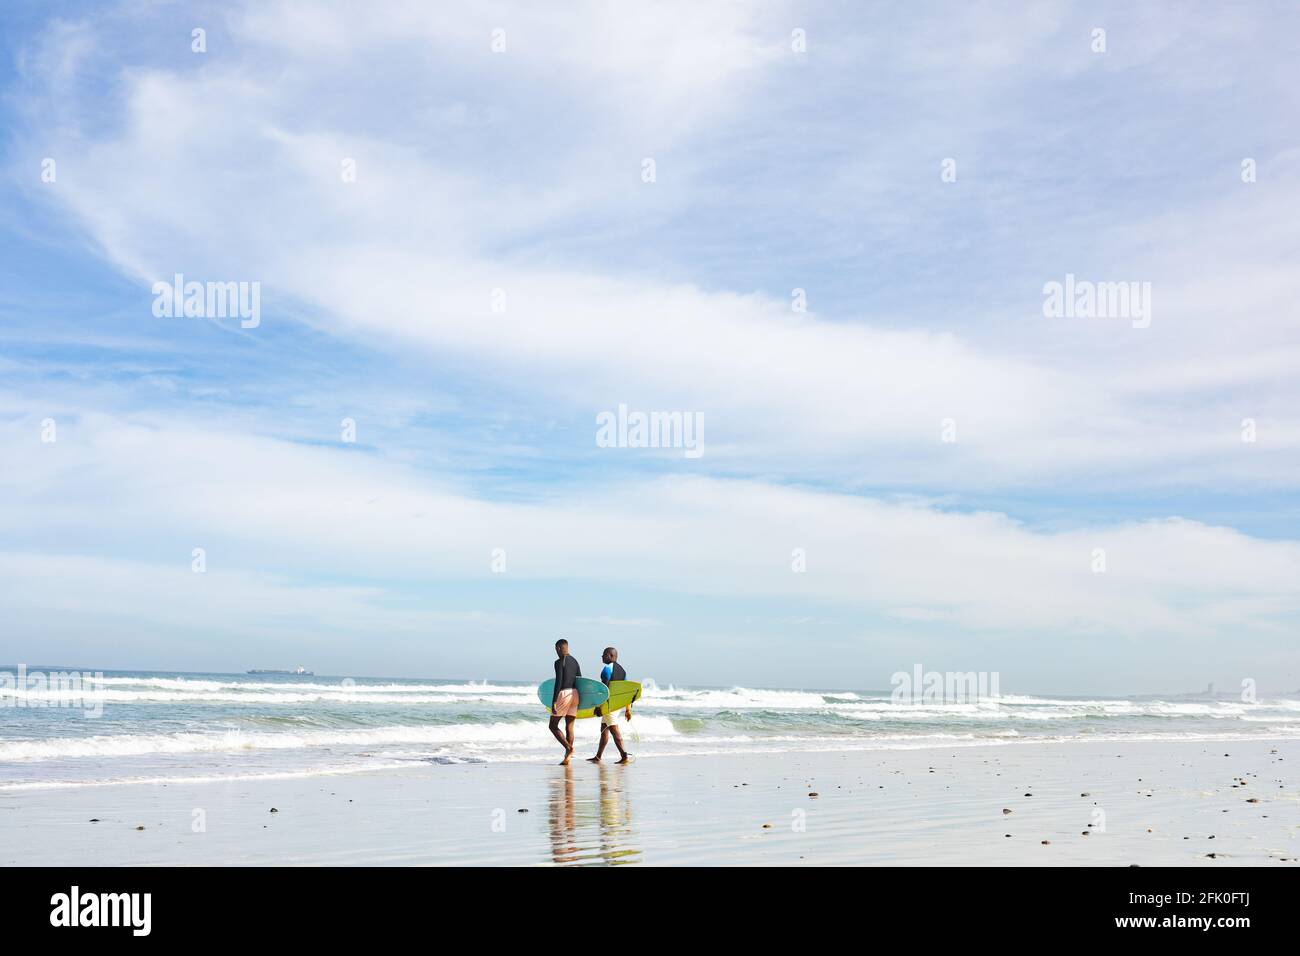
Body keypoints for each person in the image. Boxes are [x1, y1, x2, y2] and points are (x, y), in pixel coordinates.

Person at [587, 646, 631, 764]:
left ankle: (624, 755)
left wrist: (598, 706)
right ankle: (598, 756)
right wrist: (628, 709)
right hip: (617, 705)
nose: (602, 657)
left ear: (611, 656)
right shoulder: (623, 671)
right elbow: (626, 691)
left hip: (609, 706)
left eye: (604, 655)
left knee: (614, 729)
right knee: (604, 730)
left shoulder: (607, 668)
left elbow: (604, 690)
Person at [548, 639, 581, 765]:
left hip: (564, 693)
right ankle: (568, 758)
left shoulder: (559, 662)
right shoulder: (575, 661)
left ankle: (569, 748)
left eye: (556, 649)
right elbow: (580, 679)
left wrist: (554, 701)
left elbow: (559, 681)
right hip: (575, 694)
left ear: (558, 648)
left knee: (553, 725)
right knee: (569, 726)